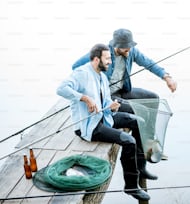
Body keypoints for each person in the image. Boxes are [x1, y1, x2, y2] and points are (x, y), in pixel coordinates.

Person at [56, 43, 155, 201]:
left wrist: (112, 107)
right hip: (89, 127)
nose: (110, 62)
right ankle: (131, 186)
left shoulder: (102, 75)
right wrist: (85, 98)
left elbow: (106, 101)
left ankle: (139, 165)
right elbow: (61, 89)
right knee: (128, 141)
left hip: (104, 117)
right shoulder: (81, 73)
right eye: (107, 58)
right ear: (96, 59)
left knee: (139, 121)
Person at [72, 28, 177, 161]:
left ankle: (149, 143)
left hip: (123, 90)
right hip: (108, 97)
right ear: (116, 45)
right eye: (125, 46)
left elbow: (149, 63)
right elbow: (75, 66)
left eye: (130, 45)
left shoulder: (131, 51)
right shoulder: (103, 53)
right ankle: (140, 152)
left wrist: (167, 77)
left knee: (153, 98)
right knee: (140, 110)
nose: (128, 49)